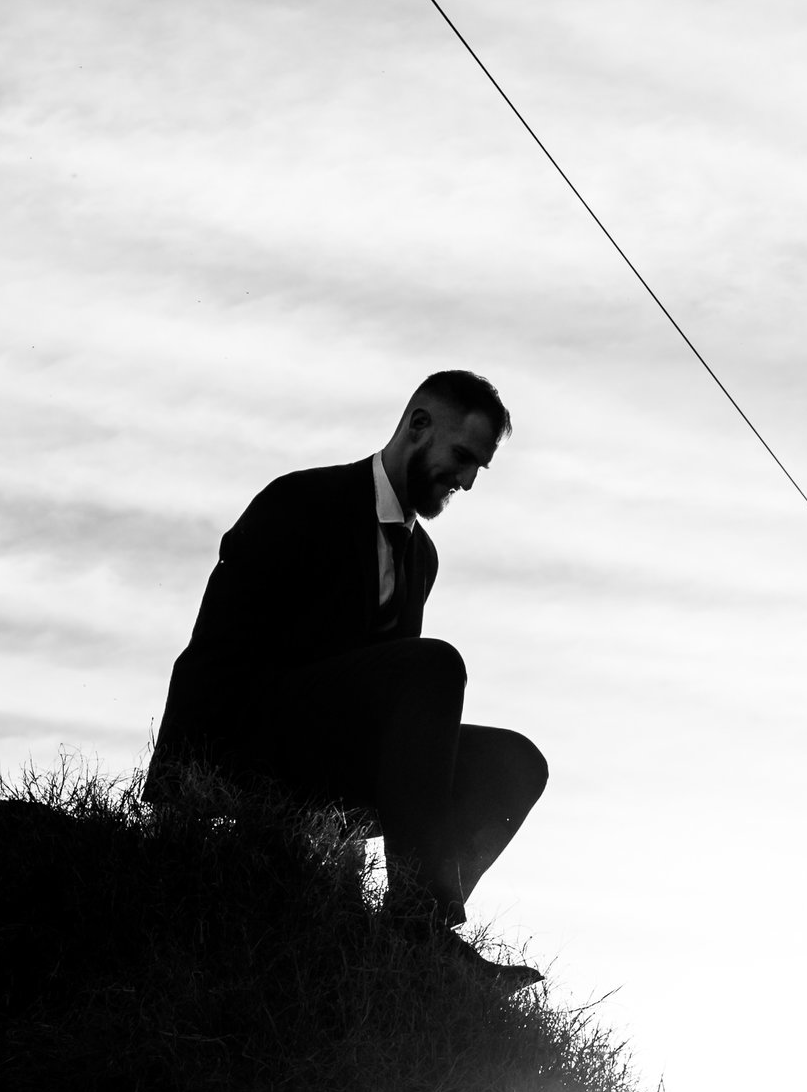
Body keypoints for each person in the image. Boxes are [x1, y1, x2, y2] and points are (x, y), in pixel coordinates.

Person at [153, 370, 547, 986]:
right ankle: (424, 924)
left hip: (335, 761)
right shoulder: (300, 501)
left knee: (518, 761)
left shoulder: (421, 558)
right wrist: (180, 790)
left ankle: (406, 930)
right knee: (434, 663)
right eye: (462, 456)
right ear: (418, 425)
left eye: (480, 469)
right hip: (256, 736)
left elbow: (393, 699)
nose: (468, 480)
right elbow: (216, 645)